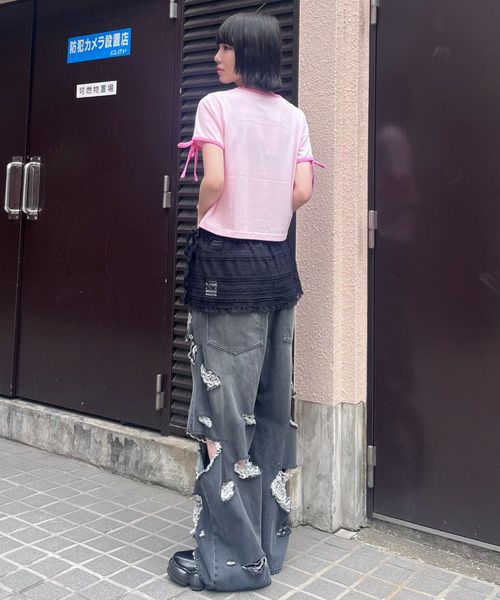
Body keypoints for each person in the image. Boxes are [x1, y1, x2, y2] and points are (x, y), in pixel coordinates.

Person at [167, 11, 323, 593]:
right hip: (278, 270)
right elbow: (303, 189)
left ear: (248, 53)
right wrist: (267, 212)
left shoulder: (216, 106)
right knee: (270, 408)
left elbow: (212, 180)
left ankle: (232, 561)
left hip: (226, 271)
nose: (216, 57)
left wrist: (206, 217)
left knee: (222, 413)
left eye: (225, 47)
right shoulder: (294, 116)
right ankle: (265, 547)